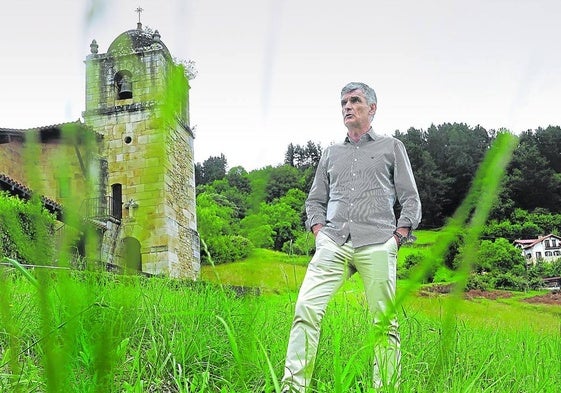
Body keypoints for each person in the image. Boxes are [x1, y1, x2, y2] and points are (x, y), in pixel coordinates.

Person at [281, 82, 422, 392]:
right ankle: (293, 388)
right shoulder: (330, 153)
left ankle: (384, 388)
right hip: (334, 242)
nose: (347, 106)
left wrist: (397, 237)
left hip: (377, 242)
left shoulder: (391, 146)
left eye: (355, 101)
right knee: (306, 308)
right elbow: (314, 200)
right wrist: (319, 232)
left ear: (371, 108)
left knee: (384, 323)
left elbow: (410, 198)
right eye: (343, 102)